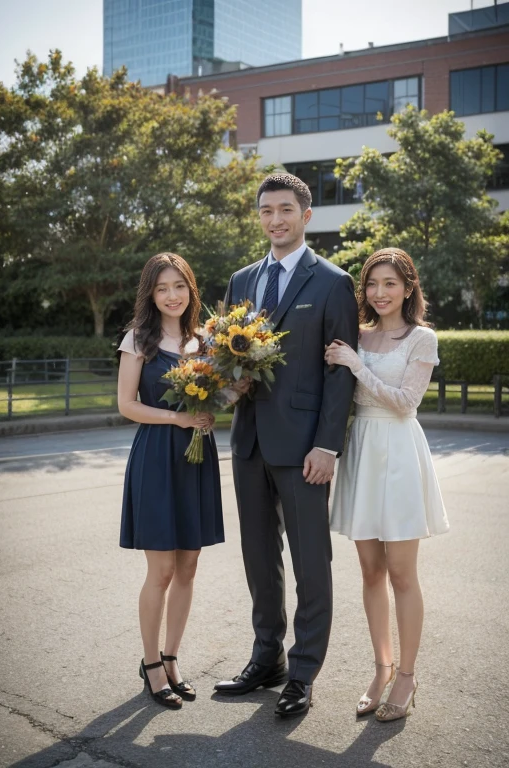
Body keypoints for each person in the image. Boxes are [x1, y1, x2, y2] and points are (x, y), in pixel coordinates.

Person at [214, 173, 358, 717]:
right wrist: (226, 388)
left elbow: (339, 373)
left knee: (310, 561)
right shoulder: (241, 279)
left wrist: (328, 445)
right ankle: (266, 656)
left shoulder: (333, 282)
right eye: (266, 210)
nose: (275, 219)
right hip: (248, 439)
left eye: (285, 210)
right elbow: (226, 358)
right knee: (258, 557)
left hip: (304, 448)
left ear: (306, 215)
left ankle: (303, 672)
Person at [325, 247, 449, 722]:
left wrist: (356, 365)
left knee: (401, 573)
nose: (379, 293)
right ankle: (381, 667)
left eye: (390, 284)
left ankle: (408, 676)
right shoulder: (356, 335)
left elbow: (404, 402)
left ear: (408, 287)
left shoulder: (422, 338)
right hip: (362, 451)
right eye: (372, 284)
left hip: (399, 451)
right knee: (370, 572)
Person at [117, 252, 224, 708]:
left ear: (190, 289)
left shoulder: (206, 341)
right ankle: (151, 665)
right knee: (160, 571)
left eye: (178, 286)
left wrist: (208, 413)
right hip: (157, 457)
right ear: (151, 293)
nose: (171, 295)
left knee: (188, 567)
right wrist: (176, 419)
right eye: (162, 288)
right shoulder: (138, 339)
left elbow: (220, 393)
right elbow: (126, 405)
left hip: (196, 459)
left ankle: (172, 657)